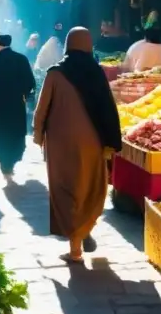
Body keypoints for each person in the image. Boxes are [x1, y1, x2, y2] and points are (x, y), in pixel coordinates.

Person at [34, 27, 122, 263]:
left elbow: (41, 110)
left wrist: (37, 135)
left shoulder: (55, 73)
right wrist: (111, 142)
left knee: (66, 188)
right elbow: (108, 109)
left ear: (68, 45)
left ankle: (75, 249)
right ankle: (86, 227)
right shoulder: (97, 72)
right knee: (91, 185)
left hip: (60, 144)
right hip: (93, 142)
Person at [0, 34, 36, 177]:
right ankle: (13, 158)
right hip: (16, 102)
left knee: (0, 132)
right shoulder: (21, 59)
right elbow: (31, 82)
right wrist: (22, 92)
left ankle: (4, 162)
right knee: (16, 131)